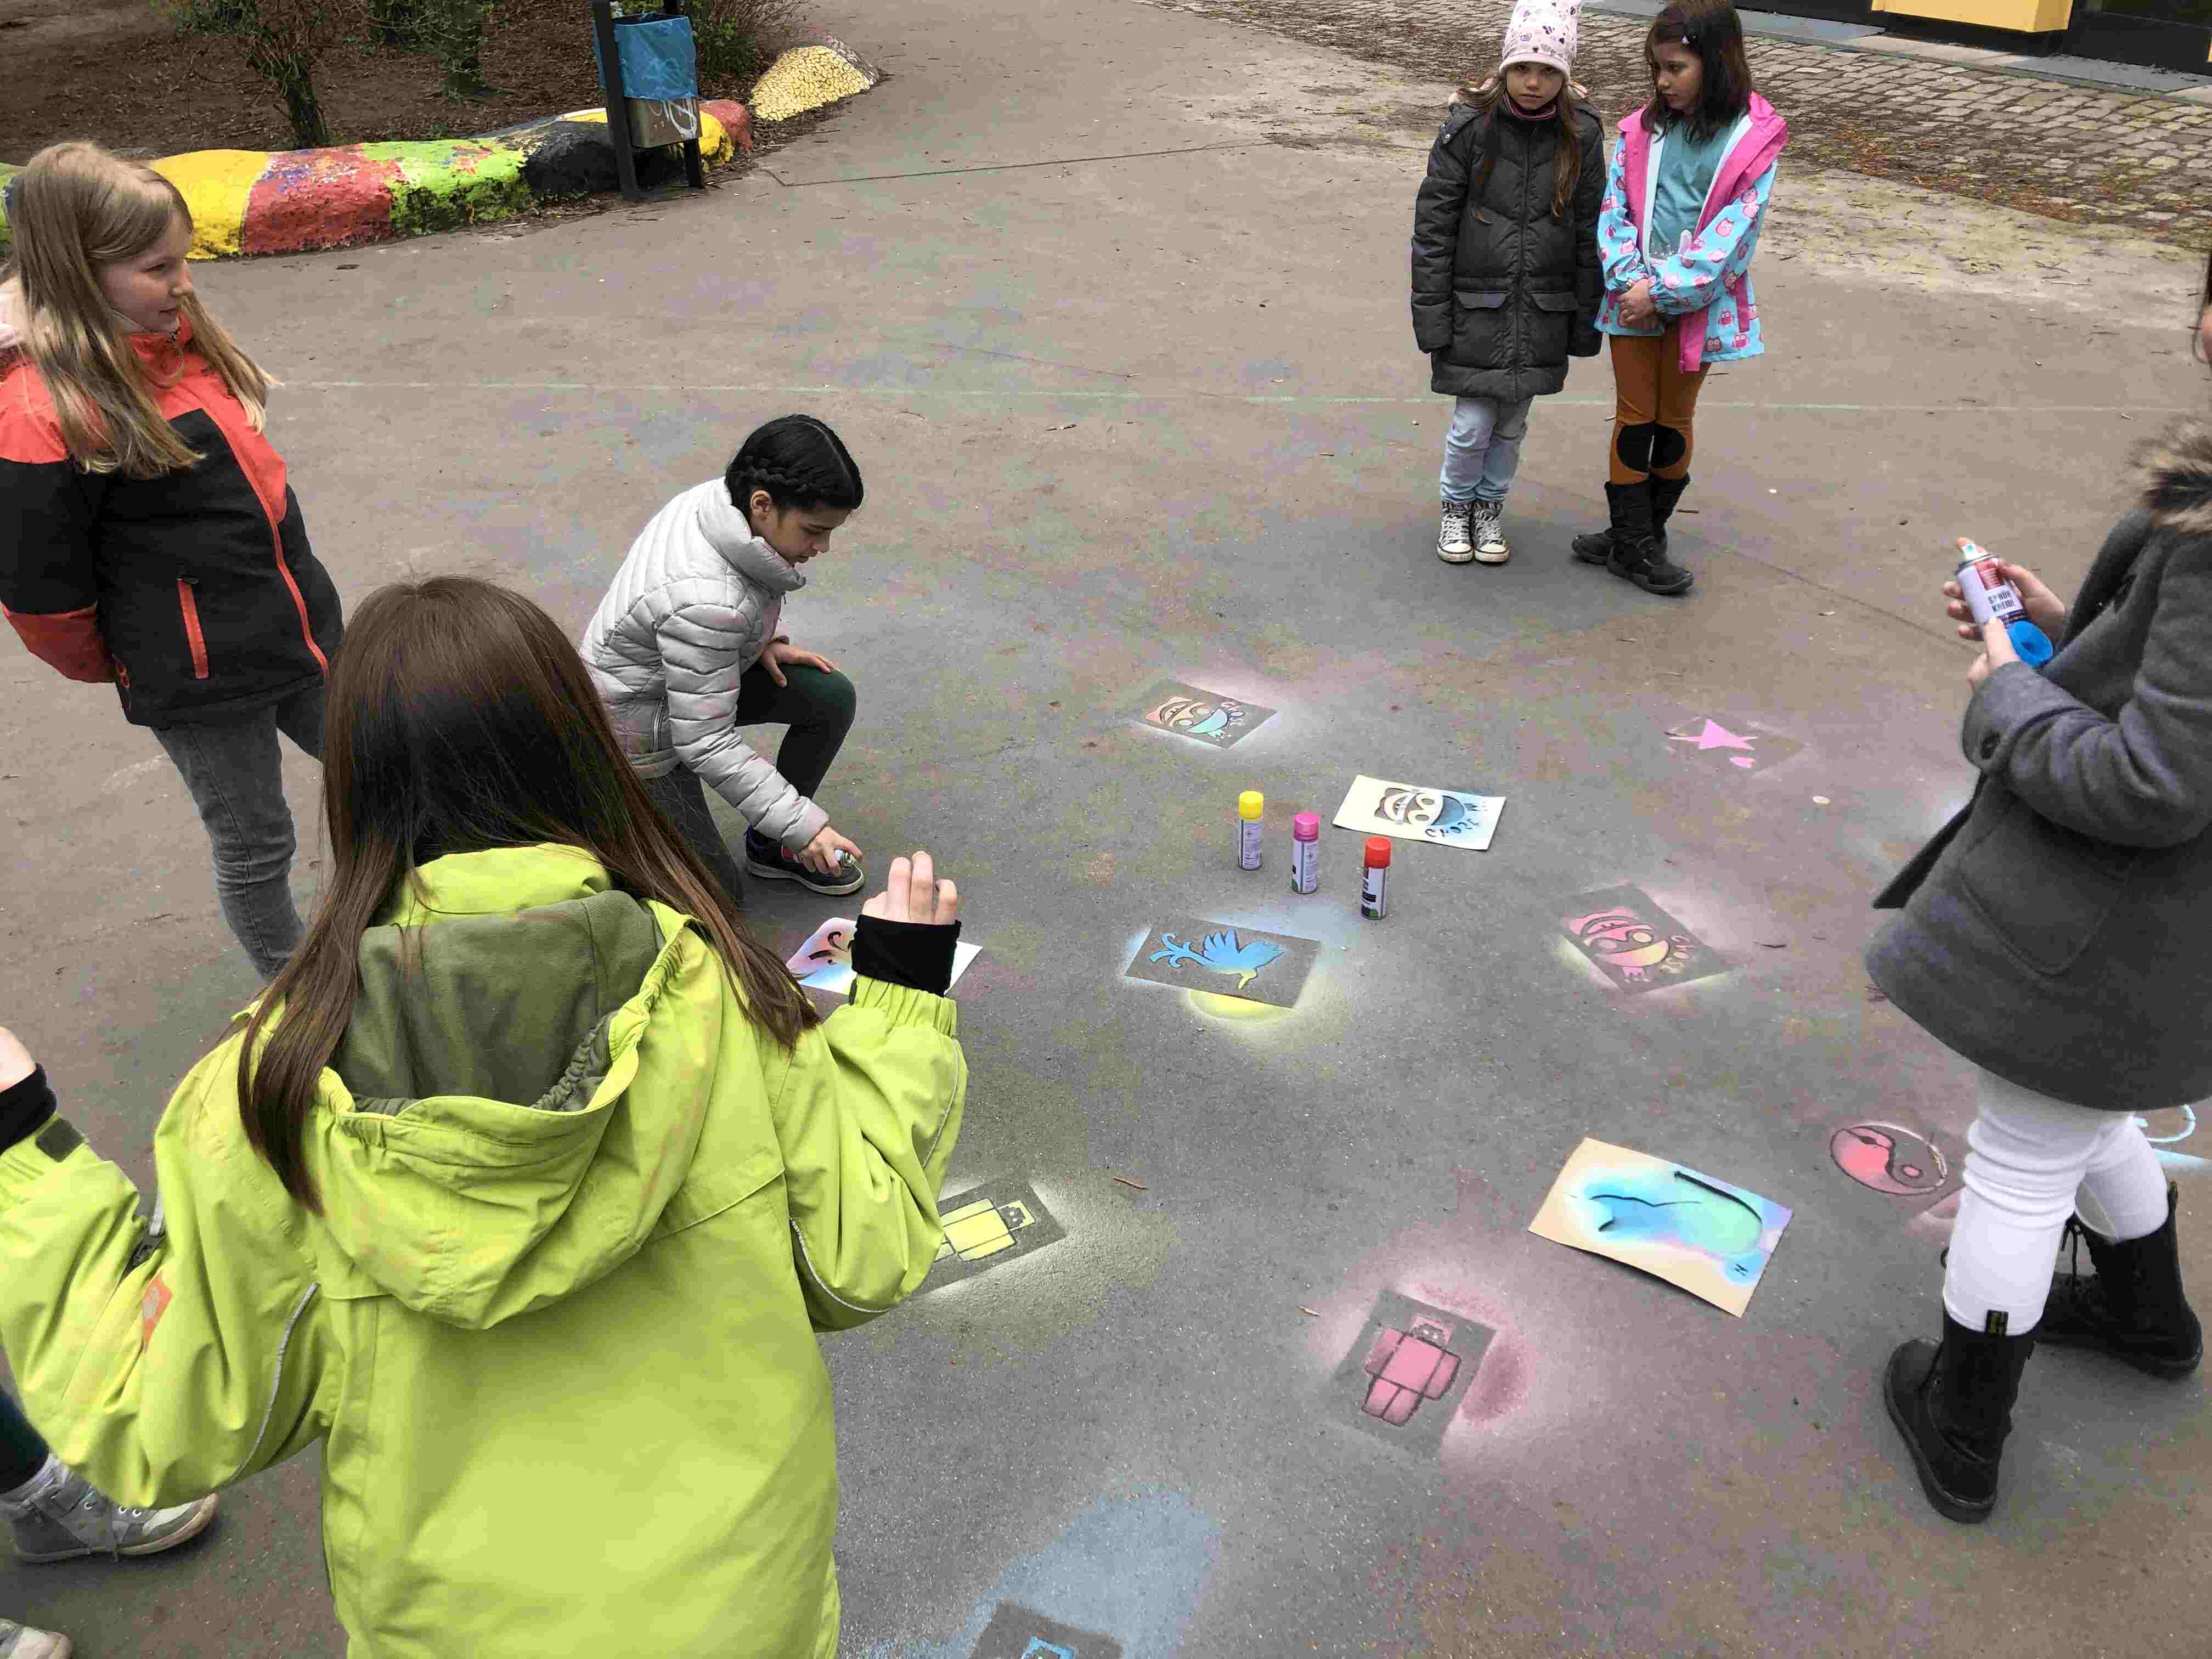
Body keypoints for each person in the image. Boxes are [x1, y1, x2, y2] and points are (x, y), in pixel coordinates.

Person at [0, 576, 968, 1657]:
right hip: (739, 1614)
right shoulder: (725, 998)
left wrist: (19, 1150)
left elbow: (149, 1412)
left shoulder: (276, 1084)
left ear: (354, 784)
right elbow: (857, 1259)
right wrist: (899, 1003)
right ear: (575, 748)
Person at [1866, 249, 2212, 1525]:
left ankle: (1962, 1424)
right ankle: (2147, 1315)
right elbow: (2180, 704)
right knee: (2087, 1114)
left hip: (2114, 927)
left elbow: (2157, 782)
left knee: (2020, 1159)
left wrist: (2010, 694)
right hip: (2168, 944)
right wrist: (2066, 636)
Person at [0, 142, 343, 979]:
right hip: (195, 675)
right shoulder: (40, 412)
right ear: (82, 273)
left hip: (294, 628)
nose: (184, 283)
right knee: (258, 837)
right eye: (159, 268)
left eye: (182, 260)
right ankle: (294, 991)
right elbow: (42, 597)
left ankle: (425, 915)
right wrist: (144, 657)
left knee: (383, 766)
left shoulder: (173, 338)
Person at [582, 415, 868, 902]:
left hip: (686, 681)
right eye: (814, 531)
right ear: (762, 504)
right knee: (715, 901)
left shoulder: (718, 502)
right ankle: (602, 832)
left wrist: (759, 645)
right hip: (636, 734)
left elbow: (735, 597)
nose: (822, 547)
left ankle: (769, 844)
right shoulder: (707, 601)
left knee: (828, 696)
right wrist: (805, 828)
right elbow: (705, 741)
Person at [1570, 0, 1787, 595]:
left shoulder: (1752, 141)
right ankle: (1632, 539)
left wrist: (1665, 293)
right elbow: (1615, 208)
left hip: (1695, 303)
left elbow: (1733, 233)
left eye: (1676, 68)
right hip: (1632, 295)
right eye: (1657, 68)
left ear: (1716, 63)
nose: (1663, 81)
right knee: (1635, 416)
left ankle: (1641, 534)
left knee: (1674, 419)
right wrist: (1631, 282)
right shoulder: (1643, 130)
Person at [1411, 0, 1603, 567]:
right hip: (1477, 306)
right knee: (1473, 424)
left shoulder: (1582, 135)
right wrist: (1433, 315)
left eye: (1548, 71)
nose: (1534, 83)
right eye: (1522, 68)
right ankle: (1456, 506)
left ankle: (1490, 507)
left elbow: (1592, 229)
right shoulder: (1468, 129)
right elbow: (1434, 227)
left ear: (1565, 75)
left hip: (1543, 308)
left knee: (1513, 424)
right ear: (1504, 69)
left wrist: (1585, 320)